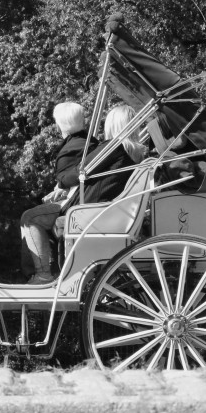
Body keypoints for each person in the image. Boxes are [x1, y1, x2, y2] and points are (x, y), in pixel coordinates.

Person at [19, 103, 144, 284]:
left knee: (30, 217)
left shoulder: (113, 146)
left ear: (113, 124)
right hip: (109, 209)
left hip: (89, 209)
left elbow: (81, 171)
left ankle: (43, 274)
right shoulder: (134, 152)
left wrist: (61, 183)